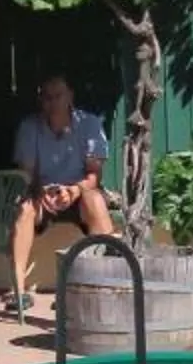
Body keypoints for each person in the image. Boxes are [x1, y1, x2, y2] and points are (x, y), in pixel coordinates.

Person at [7, 74, 115, 315]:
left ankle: (103, 285)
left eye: (58, 96)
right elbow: (26, 174)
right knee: (24, 209)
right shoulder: (29, 127)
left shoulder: (89, 124)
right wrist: (39, 191)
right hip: (43, 194)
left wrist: (75, 190)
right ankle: (18, 291)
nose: (53, 102)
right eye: (47, 97)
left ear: (70, 97)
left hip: (79, 191)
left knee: (96, 200)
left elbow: (94, 175)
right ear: (41, 101)